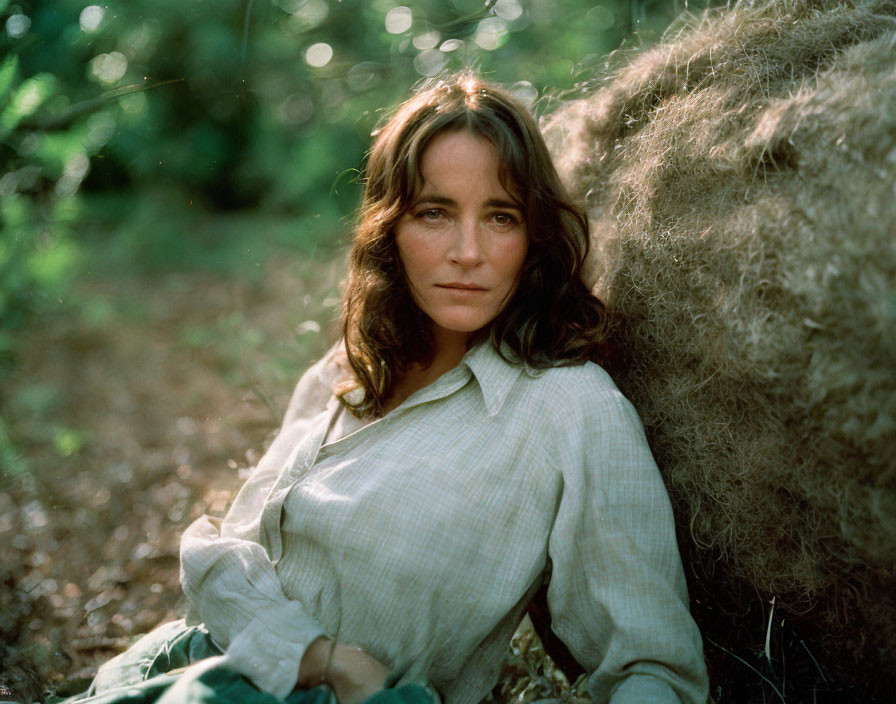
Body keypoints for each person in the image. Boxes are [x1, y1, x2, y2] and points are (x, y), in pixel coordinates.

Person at [63, 73, 709, 704]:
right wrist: (323, 658)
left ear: (534, 236)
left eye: (501, 217)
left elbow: (655, 668)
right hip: (175, 670)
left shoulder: (571, 408)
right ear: (390, 228)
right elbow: (220, 557)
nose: (467, 251)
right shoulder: (348, 368)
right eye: (434, 213)